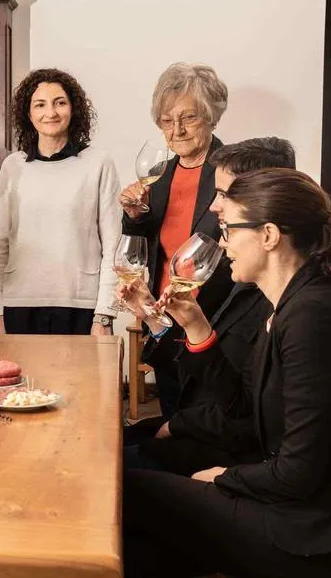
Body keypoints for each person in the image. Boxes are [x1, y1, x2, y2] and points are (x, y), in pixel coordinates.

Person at [124, 168, 331, 578]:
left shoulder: (314, 316)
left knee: (126, 490)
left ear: (269, 235)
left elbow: (298, 472)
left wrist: (224, 478)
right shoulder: (292, 302)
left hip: (319, 538)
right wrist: (195, 325)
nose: (223, 243)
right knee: (136, 549)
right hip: (299, 510)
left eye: (228, 229)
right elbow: (241, 410)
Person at [123, 137, 296, 474]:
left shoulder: (286, 300)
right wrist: (153, 318)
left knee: (101, 466)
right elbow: (199, 372)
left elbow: (248, 413)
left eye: (223, 194)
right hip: (200, 427)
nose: (214, 207)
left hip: (224, 453)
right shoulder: (234, 274)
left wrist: (178, 425)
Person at [119, 61, 234, 419]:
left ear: (212, 117)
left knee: (213, 421)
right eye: (167, 121)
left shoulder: (233, 172)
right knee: (173, 418)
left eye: (189, 118)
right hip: (165, 319)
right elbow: (141, 245)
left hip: (215, 321)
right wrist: (134, 215)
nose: (177, 130)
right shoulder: (159, 175)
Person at [0, 68, 121, 336]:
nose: (50, 112)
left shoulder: (98, 163)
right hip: (19, 305)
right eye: (40, 105)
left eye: (59, 103)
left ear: (73, 109)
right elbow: (0, 246)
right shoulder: (12, 167)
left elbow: (113, 246)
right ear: (28, 114)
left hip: (81, 305)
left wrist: (104, 314)